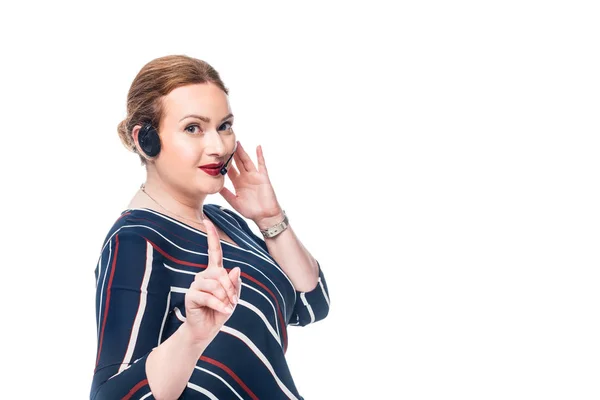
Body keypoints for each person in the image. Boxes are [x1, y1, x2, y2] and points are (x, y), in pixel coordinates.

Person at [90, 55, 331, 400]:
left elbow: (311, 304)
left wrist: (269, 218)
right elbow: (112, 395)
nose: (218, 147)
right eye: (193, 128)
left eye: (224, 125)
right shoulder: (136, 241)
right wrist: (192, 334)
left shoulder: (225, 221)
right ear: (146, 140)